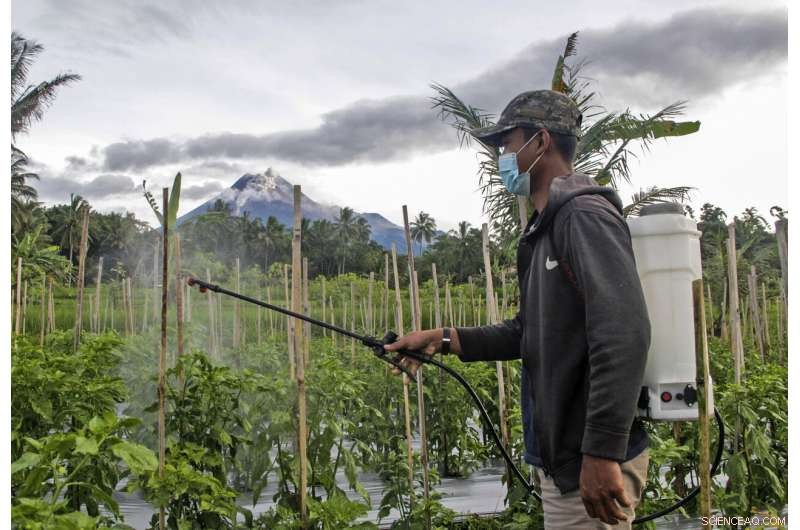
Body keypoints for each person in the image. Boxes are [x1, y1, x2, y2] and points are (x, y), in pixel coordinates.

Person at [385, 89, 651, 529]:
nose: (502, 157)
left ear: (541, 142)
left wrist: (602, 452)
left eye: (507, 144)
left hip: (588, 457)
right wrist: (441, 339)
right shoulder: (544, 228)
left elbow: (624, 333)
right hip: (566, 458)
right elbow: (529, 331)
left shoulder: (582, 217)